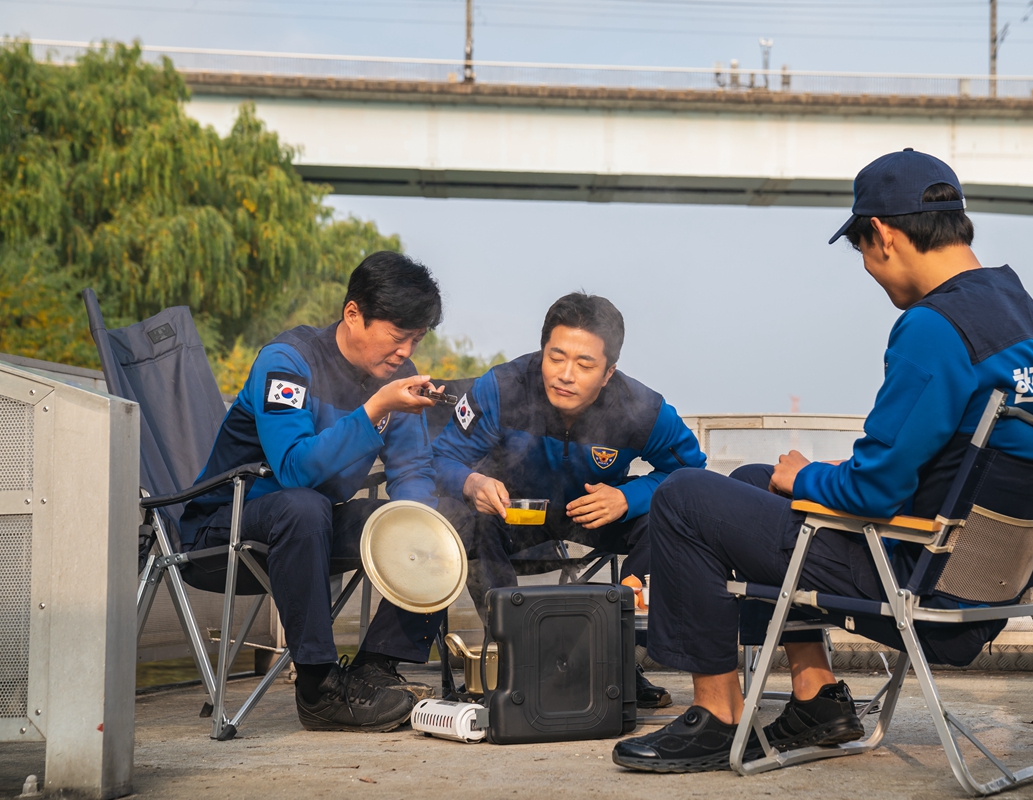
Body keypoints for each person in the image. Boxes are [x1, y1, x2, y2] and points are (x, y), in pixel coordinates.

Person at [612, 149, 1033, 772]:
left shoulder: (935, 327)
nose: (867, 267)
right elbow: (950, 464)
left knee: (684, 495)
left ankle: (718, 717)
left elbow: (874, 492)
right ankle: (817, 699)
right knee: (756, 483)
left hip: (919, 585)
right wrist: (799, 482)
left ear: (882, 234)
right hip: (984, 584)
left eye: (861, 249)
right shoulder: (1028, 322)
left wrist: (806, 475)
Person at [180, 251, 453, 733]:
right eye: (397, 336)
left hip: (312, 532)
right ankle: (317, 688)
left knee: (437, 524)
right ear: (353, 314)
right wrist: (373, 410)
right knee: (303, 505)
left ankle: (373, 670)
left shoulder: (395, 376)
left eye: (416, 339)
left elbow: (412, 468)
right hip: (226, 527)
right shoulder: (286, 362)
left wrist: (417, 529)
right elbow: (294, 469)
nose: (405, 351)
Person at [431, 292, 706, 708]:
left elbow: (689, 476)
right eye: (555, 357)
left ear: (609, 373)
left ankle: (617, 660)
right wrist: (471, 482)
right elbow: (441, 458)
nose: (565, 375)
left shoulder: (644, 410)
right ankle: (517, 658)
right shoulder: (500, 388)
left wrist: (627, 497)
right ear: (542, 351)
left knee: (665, 520)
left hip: (595, 514)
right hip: (515, 514)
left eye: (585, 365)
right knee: (463, 518)